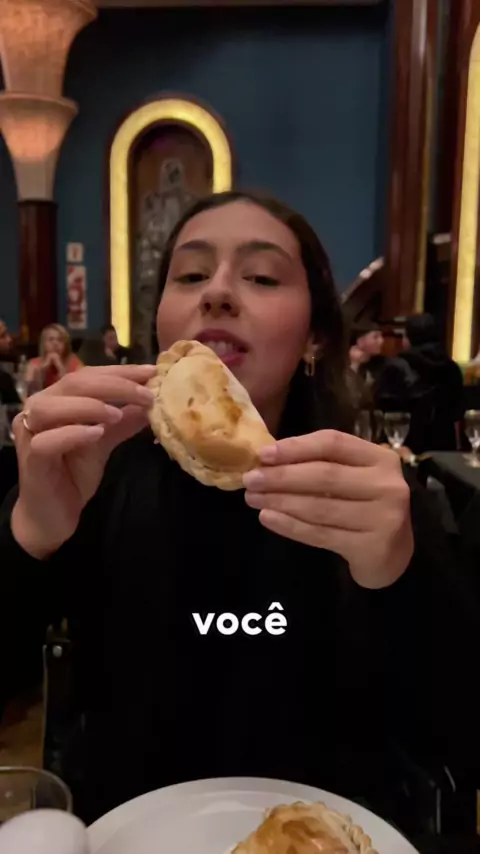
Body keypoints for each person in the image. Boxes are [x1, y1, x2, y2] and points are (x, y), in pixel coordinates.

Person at [0, 193, 476, 830]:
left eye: (262, 277)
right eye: (191, 274)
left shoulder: (377, 497)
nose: (218, 292)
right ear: (161, 328)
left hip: (326, 837)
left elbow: (459, 739)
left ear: (314, 336)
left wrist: (402, 580)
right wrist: (29, 533)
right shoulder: (91, 476)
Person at [376, 313, 465, 453]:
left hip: (405, 447)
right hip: (444, 447)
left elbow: (386, 411)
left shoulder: (396, 367)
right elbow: (458, 412)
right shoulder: (452, 368)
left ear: (409, 338)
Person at [25, 324, 83, 393]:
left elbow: (76, 389)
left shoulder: (74, 362)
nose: (55, 343)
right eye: (51, 339)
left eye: (60, 340)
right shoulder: (33, 364)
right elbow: (30, 391)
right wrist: (43, 370)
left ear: (65, 344)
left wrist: (60, 367)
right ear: (44, 343)